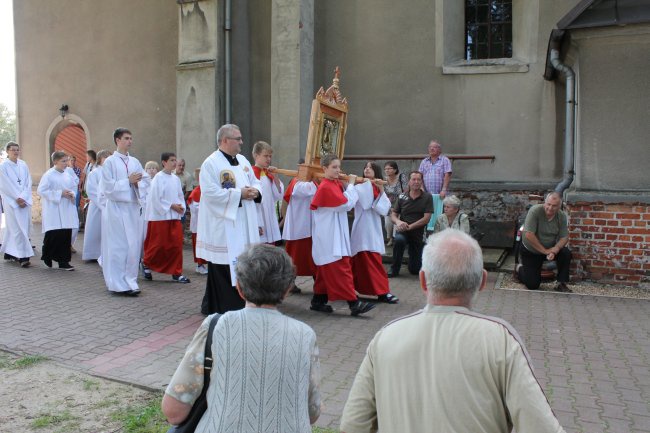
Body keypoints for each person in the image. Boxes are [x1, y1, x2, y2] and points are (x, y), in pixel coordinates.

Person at [340, 230, 566, 433]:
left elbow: (352, 424)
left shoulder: (386, 337)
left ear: (423, 280)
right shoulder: (500, 340)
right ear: (482, 281)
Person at [162, 244, 321, 432]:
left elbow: (174, 410)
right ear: (287, 289)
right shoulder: (305, 335)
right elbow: (312, 412)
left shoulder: (217, 326)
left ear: (239, 287)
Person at [196, 124, 262, 315]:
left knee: (243, 262)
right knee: (223, 266)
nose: (242, 142)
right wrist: (239, 194)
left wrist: (255, 191)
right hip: (225, 224)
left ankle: (211, 303)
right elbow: (210, 194)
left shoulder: (242, 160)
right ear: (225, 140)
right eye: (238, 139)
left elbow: (255, 182)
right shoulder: (211, 163)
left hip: (244, 221)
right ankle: (226, 306)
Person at [310, 154, 375, 316]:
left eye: (339, 167)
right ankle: (354, 304)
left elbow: (344, 199)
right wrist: (352, 185)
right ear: (324, 169)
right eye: (334, 167)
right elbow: (345, 204)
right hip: (329, 236)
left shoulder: (335, 184)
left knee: (325, 272)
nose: (338, 170)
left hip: (334, 232)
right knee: (340, 268)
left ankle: (318, 301)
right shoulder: (326, 186)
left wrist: (347, 184)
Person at [100, 128, 146, 296]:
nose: (130, 141)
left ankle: (131, 281)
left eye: (131, 138)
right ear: (117, 140)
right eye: (126, 138)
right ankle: (117, 283)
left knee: (133, 246)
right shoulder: (110, 162)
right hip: (117, 209)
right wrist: (127, 181)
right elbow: (107, 188)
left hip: (132, 209)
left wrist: (137, 184)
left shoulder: (135, 162)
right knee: (119, 246)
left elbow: (145, 181)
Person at [351, 162, 398, 304]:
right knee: (361, 261)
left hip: (373, 227)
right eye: (365, 167)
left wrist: (381, 189)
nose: (367, 169)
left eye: (370, 167)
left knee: (374, 261)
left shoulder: (376, 186)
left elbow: (384, 209)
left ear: (376, 171)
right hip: (362, 227)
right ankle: (359, 290)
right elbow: (366, 204)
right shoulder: (359, 186)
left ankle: (382, 291)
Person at [143, 152, 190, 284]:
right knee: (158, 246)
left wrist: (181, 207)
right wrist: (171, 206)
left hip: (174, 217)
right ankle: (146, 264)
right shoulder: (158, 178)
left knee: (175, 246)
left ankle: (176, 272)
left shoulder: (175, 179)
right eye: (172, 160)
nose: (175, 163)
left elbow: (180, 196)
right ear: (164, 162)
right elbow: (155, 198)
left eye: (175, 160)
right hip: (160, 217)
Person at [516, 191, 572, 292]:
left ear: (559, 206)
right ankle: (520, 269)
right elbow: (529, 234)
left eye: (554, 206)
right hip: (531, 250)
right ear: (544, 203)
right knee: (532, 285)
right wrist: (545, 251)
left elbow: (564, 237)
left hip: (549, 249)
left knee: (566, 253)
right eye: (548, 204)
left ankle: (561, 283)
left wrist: (555, 249)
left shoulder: (561, 216)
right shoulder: (535, 211)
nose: (550, 208)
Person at [37, 151, 79, 270]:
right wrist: (59, 194)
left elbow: (73, 187)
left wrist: (71, 194)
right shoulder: (49, 175)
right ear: (55, 161)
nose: (66, 163)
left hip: (66, 208)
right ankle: (47, 256)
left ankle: (63, 262)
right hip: (54, 209)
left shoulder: (67, 174)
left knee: (65, 235)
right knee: (54, 235)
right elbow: (41, 190)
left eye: (67, 160)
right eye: (63, 161)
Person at [387, 171, 433, 278]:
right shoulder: (402, 196)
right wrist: (398, 222)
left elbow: (426, 218)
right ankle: (394, 269)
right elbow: (393, 215)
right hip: (403, 231)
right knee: (399, 240)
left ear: (422, 181)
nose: (416, 182)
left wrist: (410, 227)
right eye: (413, 179)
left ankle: (414, 264)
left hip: (418, 233)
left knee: (415, 270)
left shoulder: (427, 197)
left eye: (419, 179)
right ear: (409, 181)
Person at [282, 172, 317, 294]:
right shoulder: (296, 182)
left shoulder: (312, 183)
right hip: (299, 228)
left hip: (311, 226)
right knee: (295, 258)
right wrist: (317, 179)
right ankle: (289, 284)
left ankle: (318, 284)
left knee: (314, 258)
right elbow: (308, 190)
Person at [0, 142, 34, 267]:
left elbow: (28, 181)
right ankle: (23, 256)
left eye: (17, 150)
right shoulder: (3, 166)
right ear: (7, 151)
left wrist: (24, 197)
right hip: (11, 202)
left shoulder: (23, 164)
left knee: (22, 227)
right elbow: (5, 185)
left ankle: (9, 252)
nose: (16, 152)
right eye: (13, 150)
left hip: (23, 202)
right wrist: (17, 198)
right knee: (16, 228)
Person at [251, 141, 284, 244]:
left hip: (269, 214)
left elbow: (278, 195)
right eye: (266, 156)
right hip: (257, 215)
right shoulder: (249, 174)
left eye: (270, 156)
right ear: (256, 155)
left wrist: (276, 176)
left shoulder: (269, 174)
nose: (269, 159)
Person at [82, 149, 110, 261]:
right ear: (100, 159)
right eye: (106, 157)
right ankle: (93, 253)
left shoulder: (110, 172)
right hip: (97, 206)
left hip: (110, 205)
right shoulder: (95, 172)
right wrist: (102, 204)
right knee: (95, 230)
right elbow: (91, 190)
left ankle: (106, 253)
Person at [382, 161, 408, 246]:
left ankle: (397, 239)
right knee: (387, 223)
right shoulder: (384, 179)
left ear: (395, 169)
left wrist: (398, 205)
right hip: (388, 205)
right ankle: (390, 239)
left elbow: (406, 191)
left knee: (397, 223)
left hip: (400, 204)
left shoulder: (401, 177)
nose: (387, 170)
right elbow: (382, 193)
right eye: (385, 169)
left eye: (389, 168)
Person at [187, 168, 208, 275]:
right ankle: (200, 265)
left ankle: (205, 264)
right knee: (199, 245)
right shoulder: (196, 192)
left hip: (207, 224)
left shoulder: (207, 190)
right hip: (198, 225)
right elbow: (195, 208)